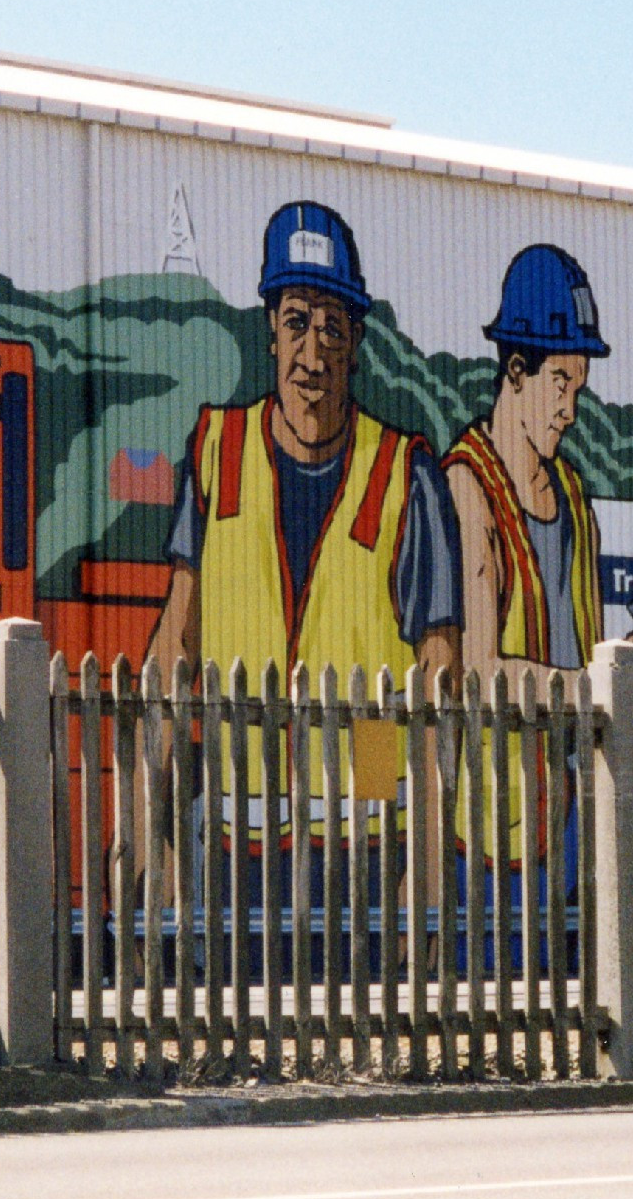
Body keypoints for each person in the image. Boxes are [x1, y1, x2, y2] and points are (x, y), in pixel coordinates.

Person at [148, 200, 463, 875]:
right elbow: (178, 638)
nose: (312, 351)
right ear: (270, 328)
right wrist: (149, 828)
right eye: (296, 322)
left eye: (331, 327)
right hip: (242, 842)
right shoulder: (215, 451)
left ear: (354, 340)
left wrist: (430, 866)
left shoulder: (407, 473)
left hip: (370, 833)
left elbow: (438, 675)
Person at [442, 243, 633, 881]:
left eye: (578, 387)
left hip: (572, 807)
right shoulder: (467, 486)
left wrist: (628, 665)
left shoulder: (572, 494)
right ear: (515, 371)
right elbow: (481, 669)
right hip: (492, 819)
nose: (570, 408)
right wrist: (597, 688)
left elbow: (584, 639)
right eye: (558, 384)